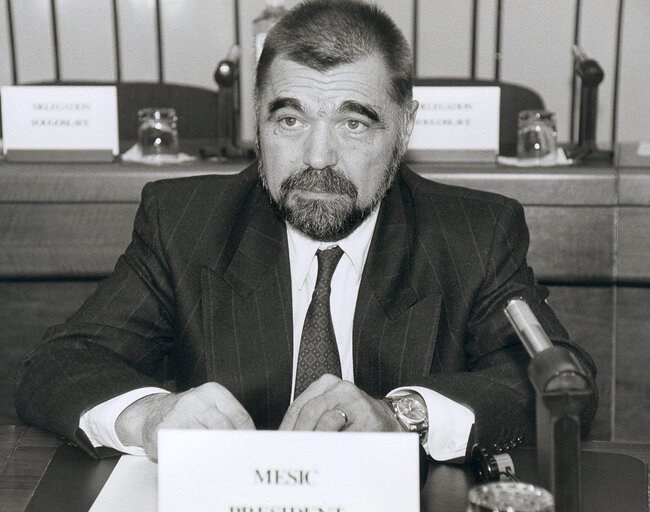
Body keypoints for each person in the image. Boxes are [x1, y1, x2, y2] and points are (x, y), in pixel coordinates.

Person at [15, 0, 596, 463]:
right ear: (257, 118)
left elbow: (558, 381)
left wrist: (403, 418)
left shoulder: (474, 232)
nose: (318, 156)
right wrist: (147, 418)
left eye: (353, 121)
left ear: (404, 126)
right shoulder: (184, 221)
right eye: (290, 119)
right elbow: (61, 364)